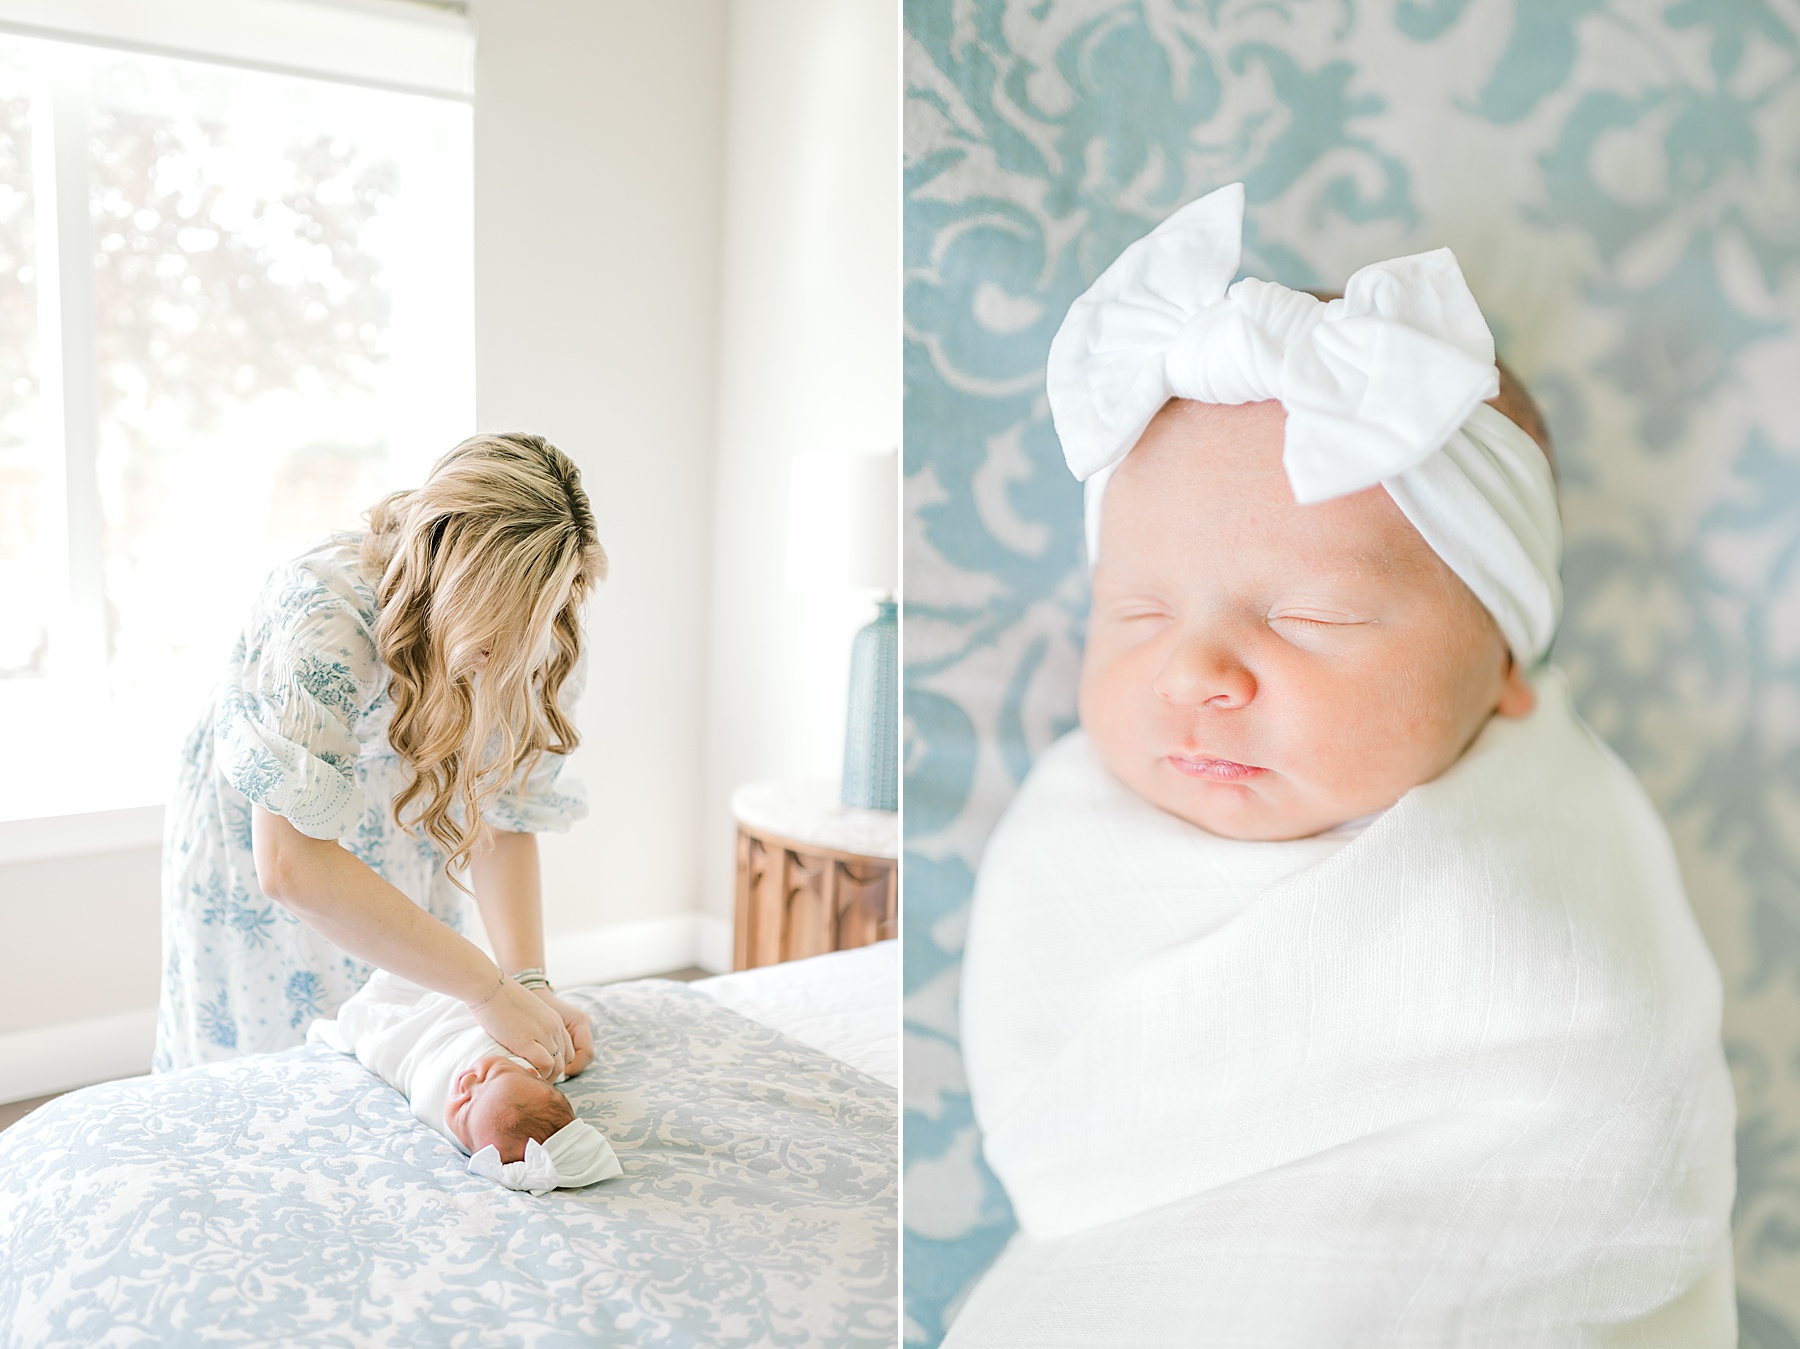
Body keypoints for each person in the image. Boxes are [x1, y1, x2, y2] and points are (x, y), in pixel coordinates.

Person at [949, 184, 1736, 1345]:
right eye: (1138, 611)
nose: (1196, 672)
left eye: (1313, 616)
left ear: (1505, 665)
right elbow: (1058, 1124)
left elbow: (1609, 1076)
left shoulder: (1549, 836)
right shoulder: (1075, 836)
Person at [155, 432, 604, 1086]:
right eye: (490, 626)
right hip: (271, 832)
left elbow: (503, 820)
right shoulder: (324, 607)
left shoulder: (545, 630)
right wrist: (485, 986)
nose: (503, 654)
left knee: (400, 1046)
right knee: (274, 1071)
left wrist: (526, 982)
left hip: (400, 818)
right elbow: (290, 865)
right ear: (444, 570)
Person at [308, 967, 623, 1195]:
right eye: (495, 1073)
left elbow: (405, 1065)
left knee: (376, 1036)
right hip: (450, 1012)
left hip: (410, 1043)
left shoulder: (462, 1133)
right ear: (533, 1074)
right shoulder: (537, 1062)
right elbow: (554, 1055)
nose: (467, 1081)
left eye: (462, 1111)